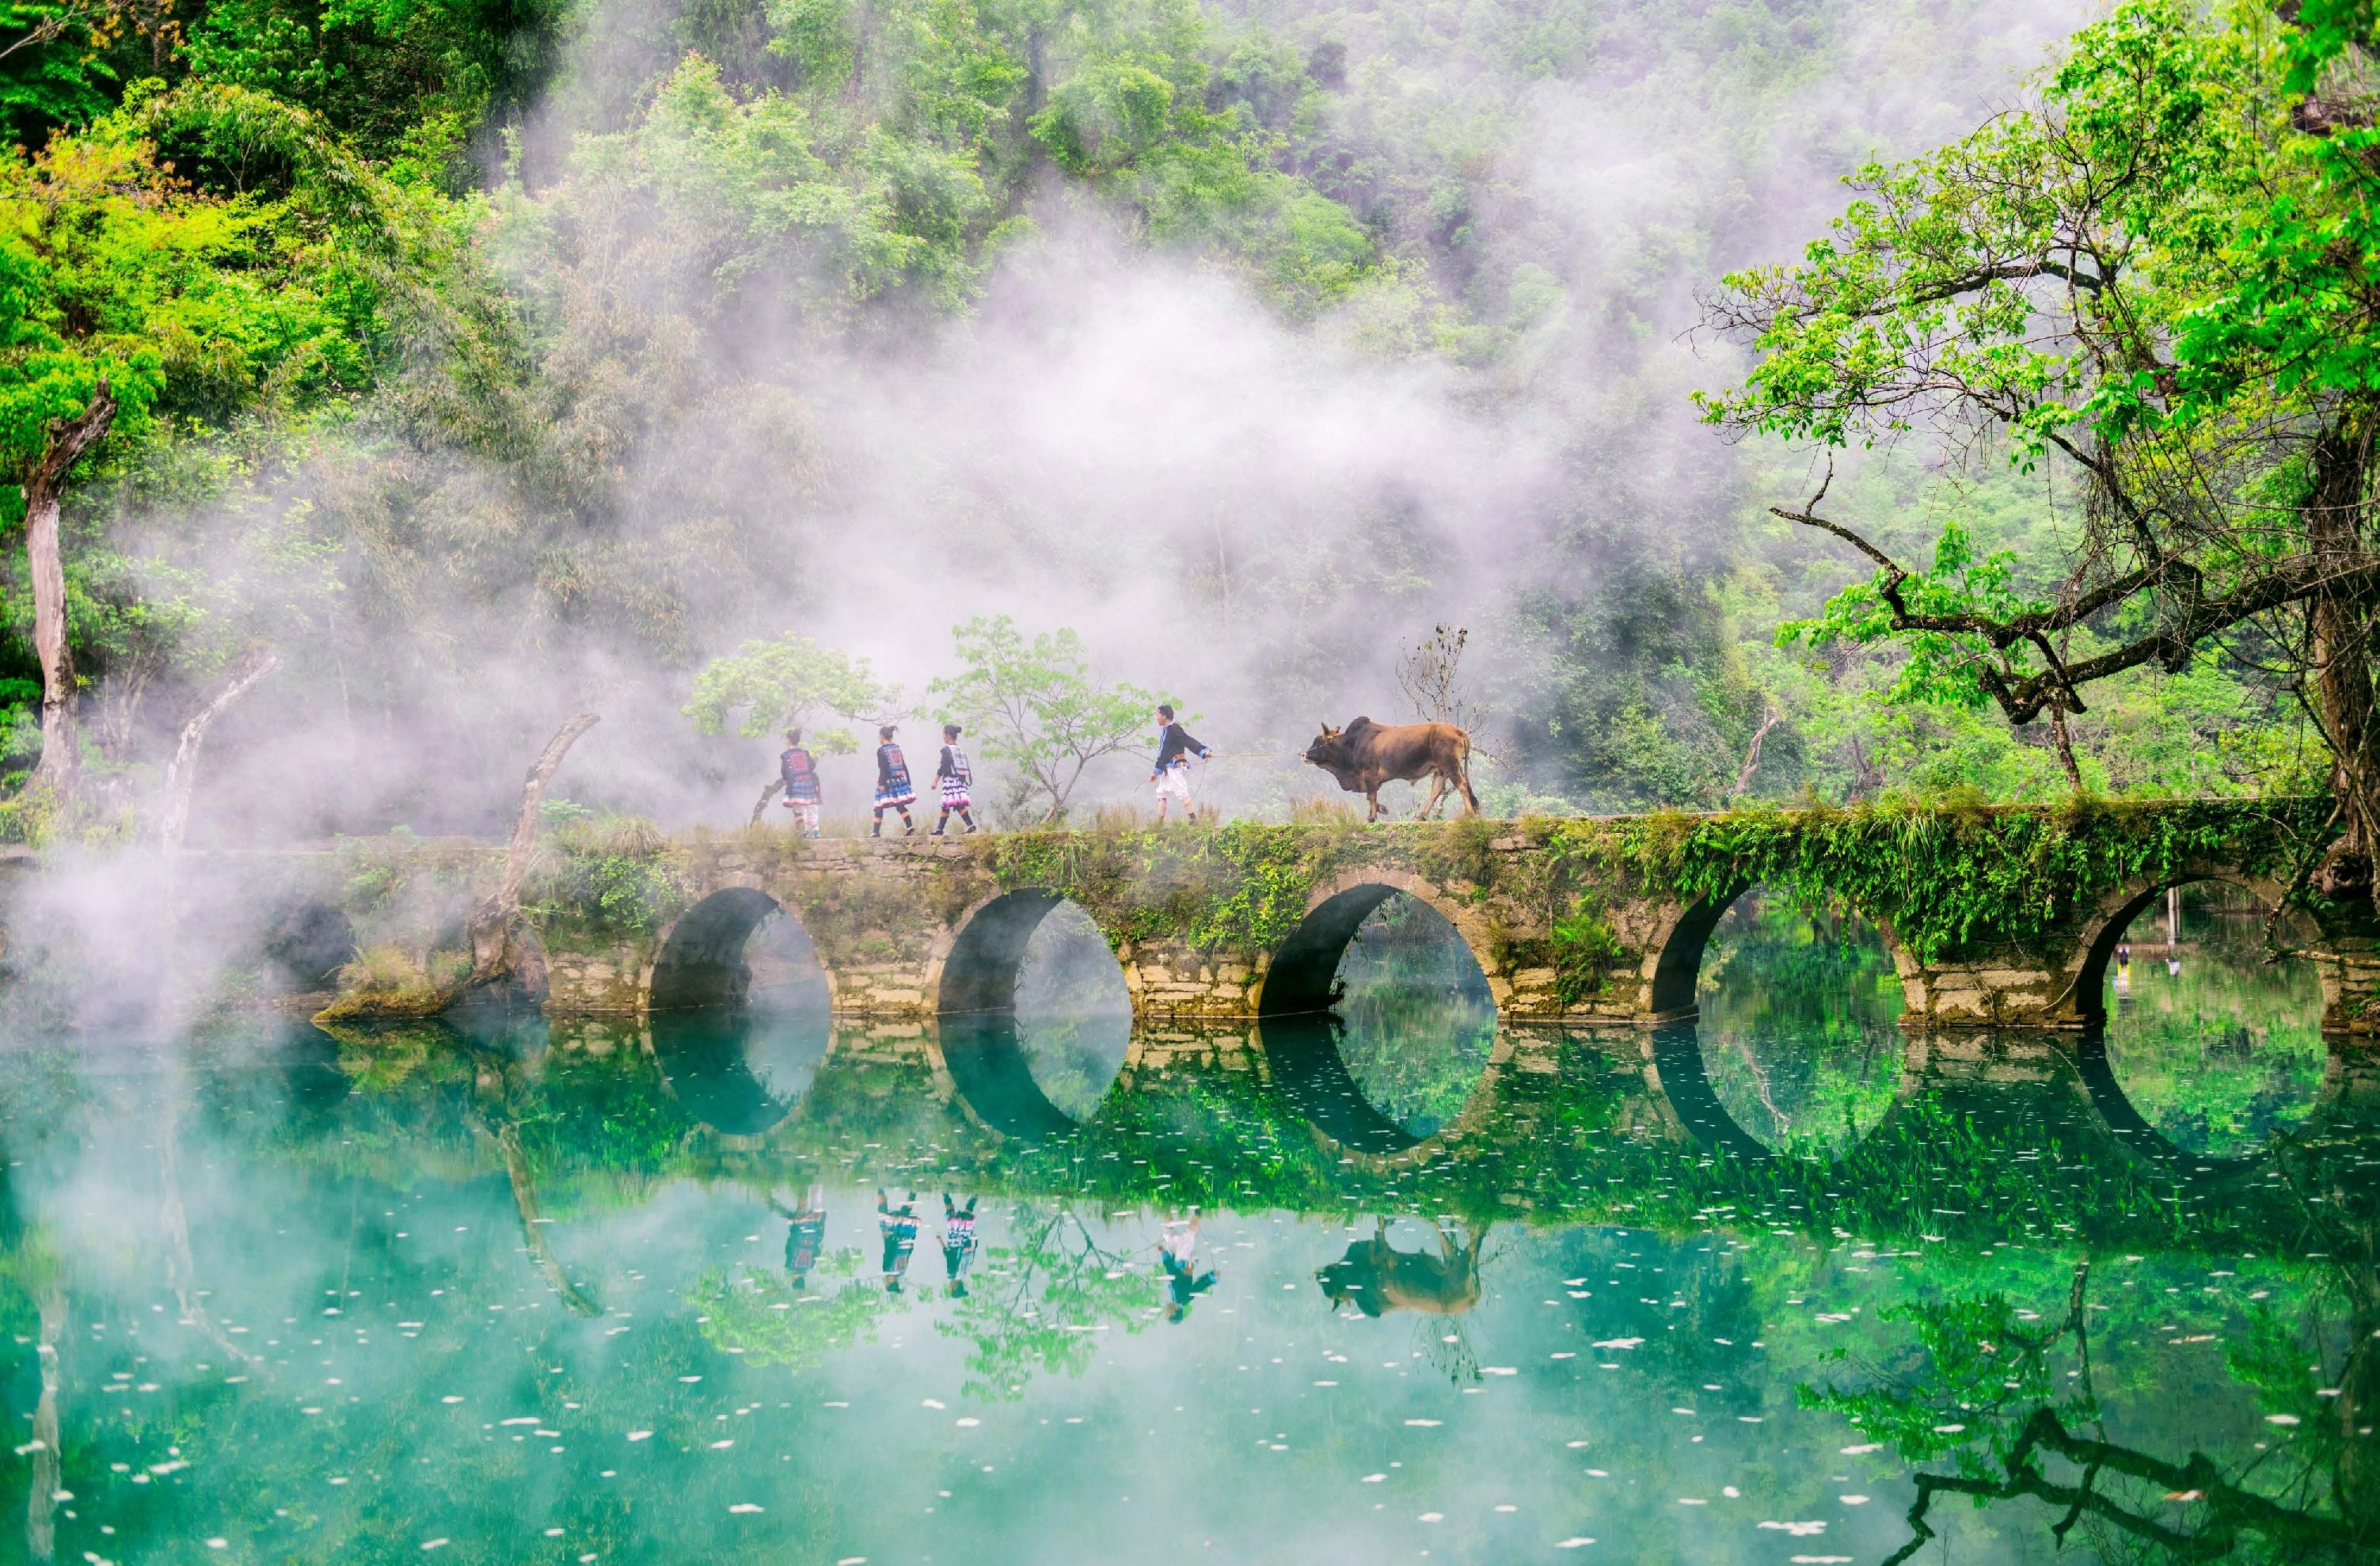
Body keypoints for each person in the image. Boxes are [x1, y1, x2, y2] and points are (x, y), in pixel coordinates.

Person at [1149, 704, 1213, 825]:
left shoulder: (1174, 729)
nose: (1156, 717)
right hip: (1168, 768)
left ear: (1165, 716)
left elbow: (1187, 741)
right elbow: (1163, 753)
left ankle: (1193, 821)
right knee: (1161, 792)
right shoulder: (1166, 730)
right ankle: (1159, 825)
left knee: (1182, 793)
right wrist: (1156, 771)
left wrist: (1203, 752)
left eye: (1158, 715)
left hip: (1175, 767)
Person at [1158, 1209, 1216, 1324]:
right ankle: (1199, 1209)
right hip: (1184, 1261)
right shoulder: (1182, 1299)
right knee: (1188, 1234)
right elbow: (1197, 1286)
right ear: (1174, 1313)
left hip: (1177, 1260)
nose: (1166, 1312)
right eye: (1168, 1315)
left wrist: (1165, 1255)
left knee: (1168, 1232)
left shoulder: (1176, 1299)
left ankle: (1165, 1204)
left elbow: (1173, 1275)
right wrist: (1211, 1278)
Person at [768, 1185, 827, 1290]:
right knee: (795, 1216)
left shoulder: (811, 1265)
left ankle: (774, 1205)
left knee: (791, 1216)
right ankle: (800, 1186)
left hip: (814, 1226)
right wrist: (794, 1225)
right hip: (799, 1225)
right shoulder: (790, 1265)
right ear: (793, 1280)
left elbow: (817, 1247)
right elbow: (789, 1246)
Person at [933, 724, 979, 837]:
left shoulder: (946, 750)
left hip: (951, 780)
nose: (942, 737)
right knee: (954, 805)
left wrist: (935, 780)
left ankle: (940, 829)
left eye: (943, 734)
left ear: (948, 735)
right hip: (960, 780)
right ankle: (969, 825)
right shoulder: (959, 749)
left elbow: (942, 767)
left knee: (949, 804)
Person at [872, 724, 917, 838]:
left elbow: (883, 768)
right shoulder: (897, 748)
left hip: (888, 781)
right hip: (900, 780)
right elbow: (903, 765)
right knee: (900, 804)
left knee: (878, 805)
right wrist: (908, 781)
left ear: (882, 736)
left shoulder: (881, 751)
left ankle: (875, 832)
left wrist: (882, 783)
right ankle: (909, 826)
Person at [778, 729, 823, 838]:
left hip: (795, 784)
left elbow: (784, 773)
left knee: (798, 810)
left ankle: (802, 833)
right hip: (808, 783)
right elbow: (812, 766)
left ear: (789, 741)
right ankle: (816, 832)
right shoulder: (805, 754)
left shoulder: (786, 756)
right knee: (811, 808)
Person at [877, 1188, 920, 1292]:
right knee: (882, 1213)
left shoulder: (902, 1271)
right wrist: (889, 1235)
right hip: (895, 1237)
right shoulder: (888, 1270)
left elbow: (908, 1254)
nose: (884, 1282)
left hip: (906, 1238)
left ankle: (914, 1190)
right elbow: (889, 1252)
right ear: (889, 1283)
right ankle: (880, 1188)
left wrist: (912, 1239)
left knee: (905, 1211)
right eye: (886, 1284)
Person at [941, 1193, 979, 1297]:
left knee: (966, 1219)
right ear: (954, 1288)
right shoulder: (951, 1274)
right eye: (951, 1290)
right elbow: (949, 1256)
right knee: (951, 1217)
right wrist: (941, 1243)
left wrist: (974, 1242)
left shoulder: (963, 1273)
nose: (949, 1287)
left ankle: (973, 1199)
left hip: (965, 1242)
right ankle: (945, 1194)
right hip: (955, 1244)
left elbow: (971, 1256)